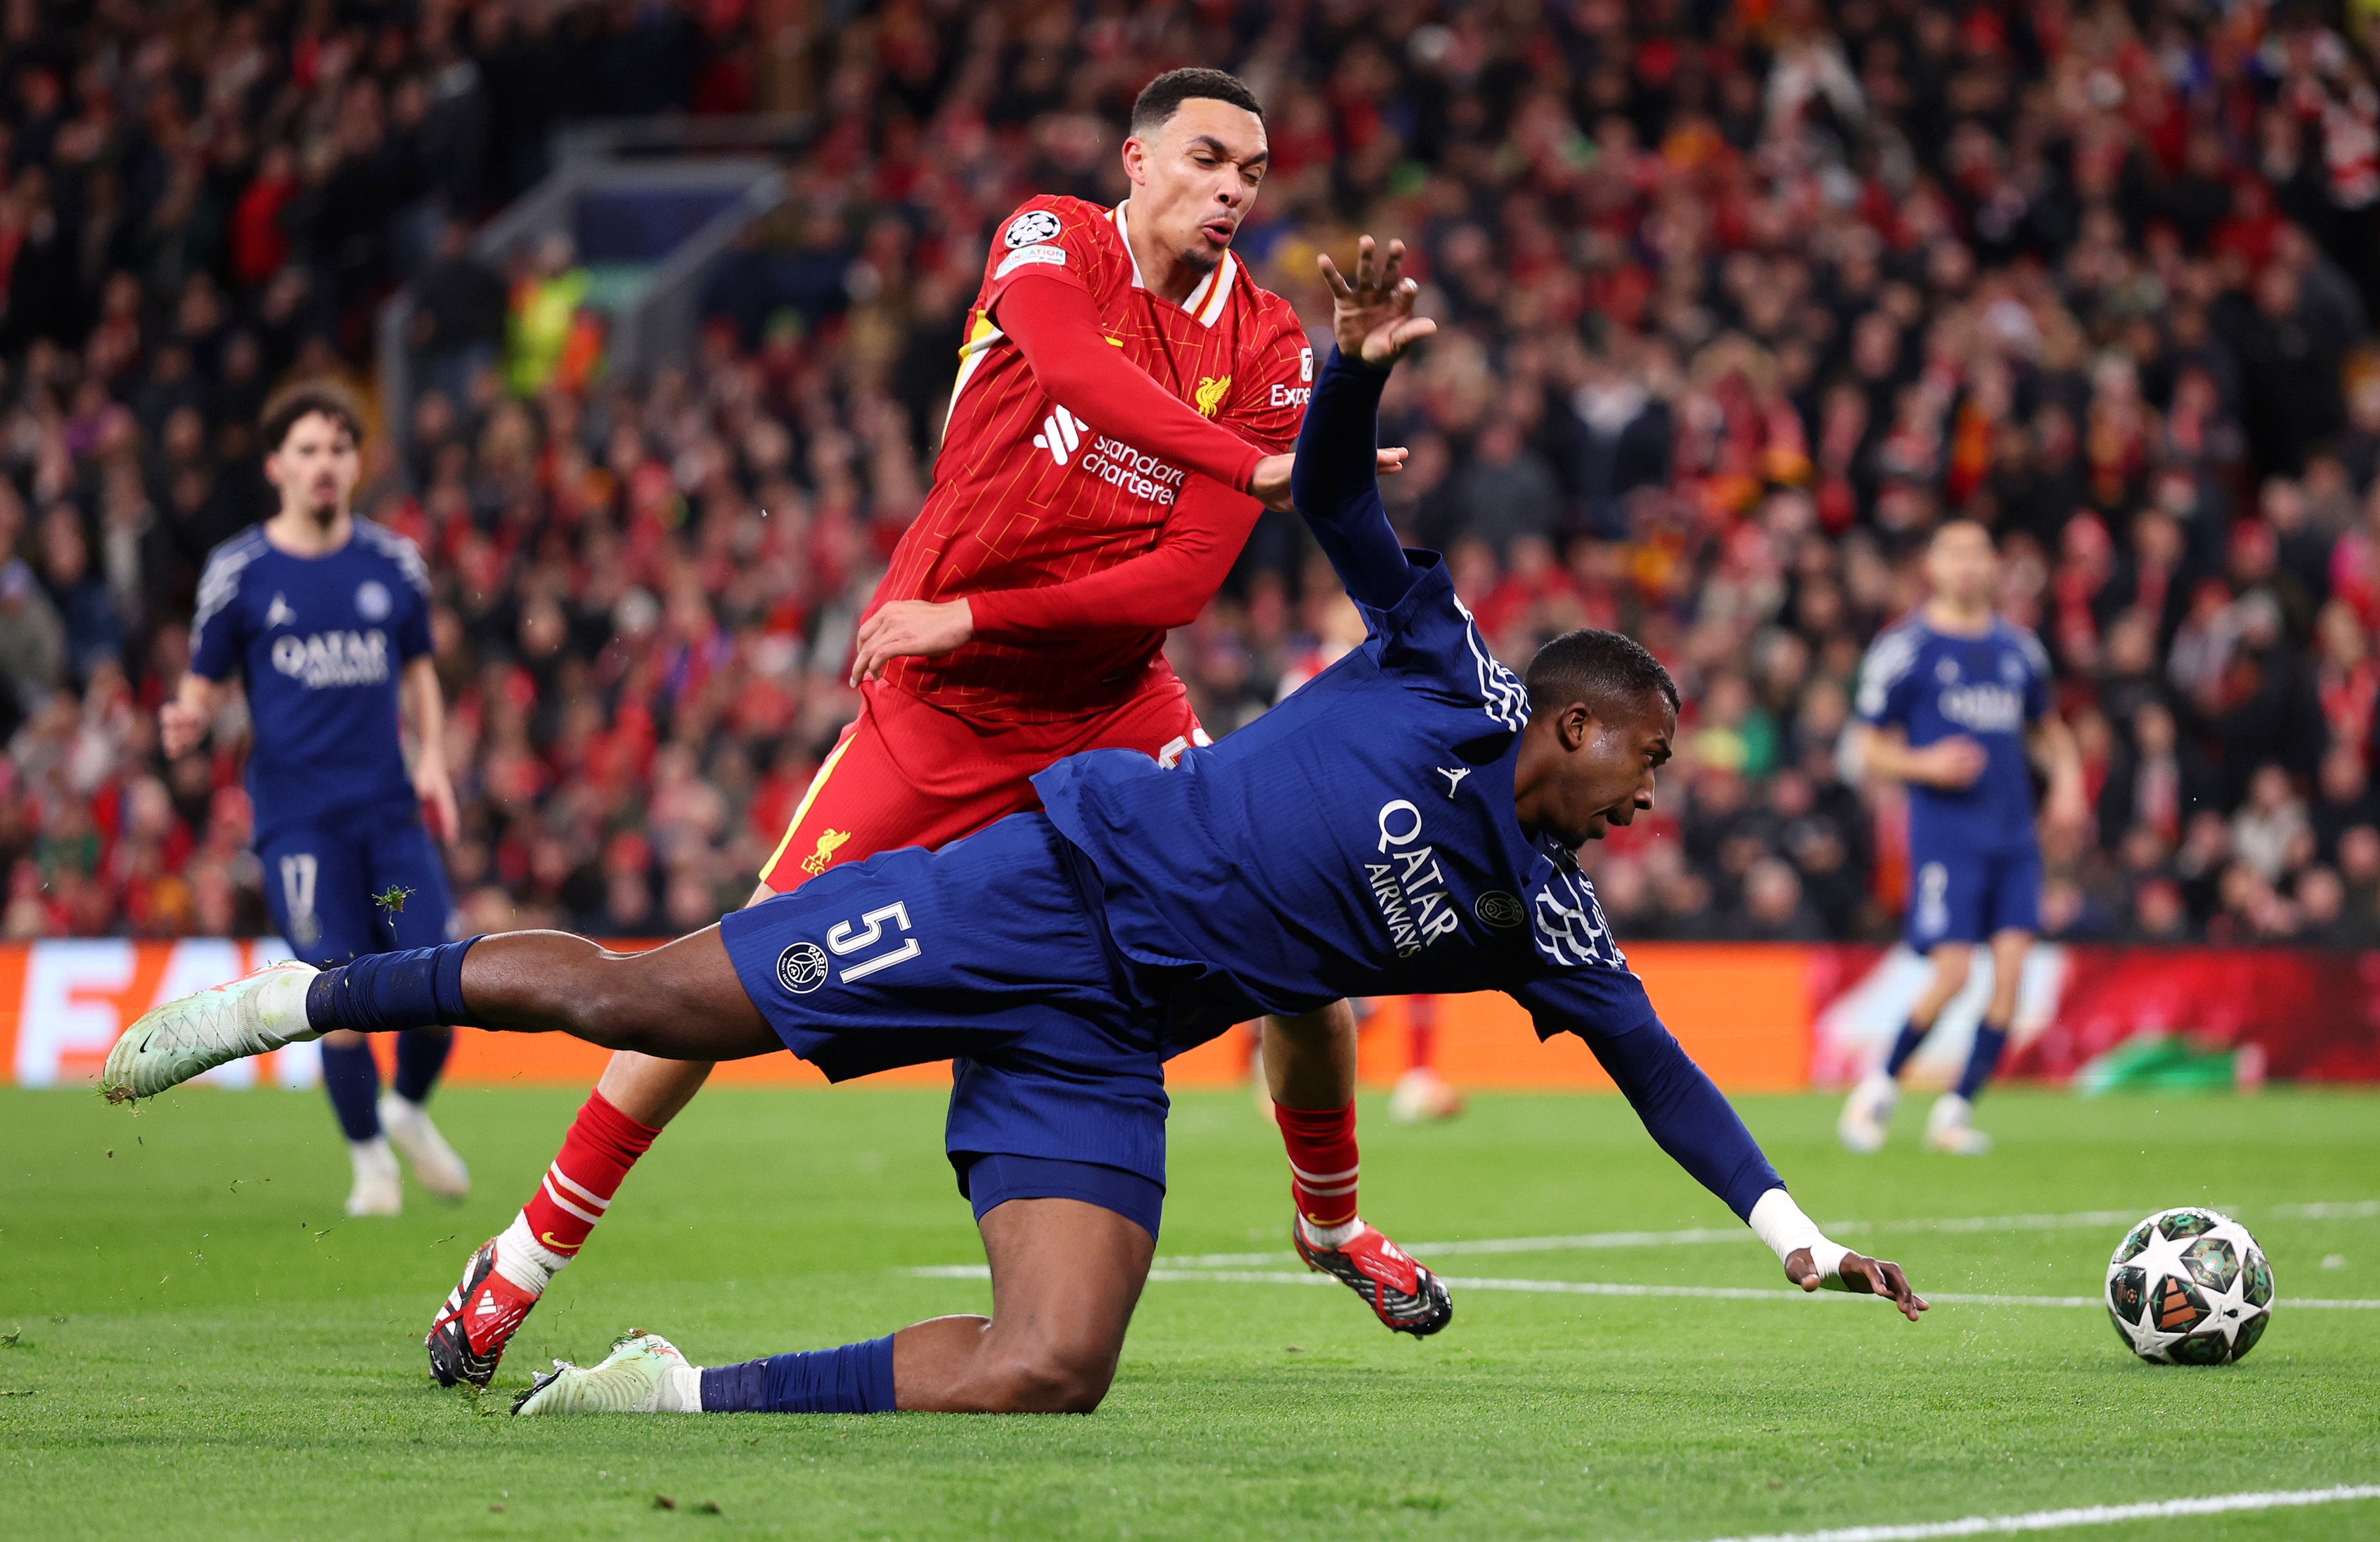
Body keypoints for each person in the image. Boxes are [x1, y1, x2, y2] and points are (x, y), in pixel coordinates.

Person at [107, 239, 1925, 1418]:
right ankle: (297, 1002)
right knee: (640, 1005)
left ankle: (665, 1396)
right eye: (1647, 764)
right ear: (1576, 720)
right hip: (1045, 887)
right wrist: (1355, 374)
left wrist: (1797, 1237)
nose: (1654, 800)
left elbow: (1668, 1078)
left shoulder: (1547, 922)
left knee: (1054, 1365)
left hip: (1108, 1037)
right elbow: (1346, 522)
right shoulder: (1446, 667)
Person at [423, 67, 1442, 1393]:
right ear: (1136, 160)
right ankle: (522, 1258)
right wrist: (1232, 460)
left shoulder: (1264, 347)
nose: (1232, 190)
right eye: (1206, 159)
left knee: (1301, 952)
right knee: (708, 987)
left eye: (1251, 172)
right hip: (936, 716)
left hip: (1111, 711)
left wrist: (980, 615)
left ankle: (1328, 1218)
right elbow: (1068, 359)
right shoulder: (1048, 238)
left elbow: (1183, 584)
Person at [160, 387, 466, 1216]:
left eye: (338, 446)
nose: (325, 463)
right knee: (333, 989)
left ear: (355, 462)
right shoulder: (241, 572)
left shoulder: (394, 563)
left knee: (441, 979)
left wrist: (433, 756)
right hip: (301, 827)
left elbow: (419, 671)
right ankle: (370, 1160)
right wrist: (187, 713)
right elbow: (203, 678)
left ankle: (405, 1107)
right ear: (276, 466)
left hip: (390, 819)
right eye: (307, 448)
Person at [1837, 520, 2087, 1156]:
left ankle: (1954, 1111)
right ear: (1932, 565)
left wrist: (2067, 782)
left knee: (2010, 977)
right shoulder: (1905, 647)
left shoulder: (2019, 649)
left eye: (1979, 553)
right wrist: (1925, 764)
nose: (1968, 566)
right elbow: (1865, 748)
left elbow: (2046, 727)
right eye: (1954, 553)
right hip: (1947, 838)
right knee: (1951, 974)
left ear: (1993, 564)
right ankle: (1880, 1083)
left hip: (2013, 837)